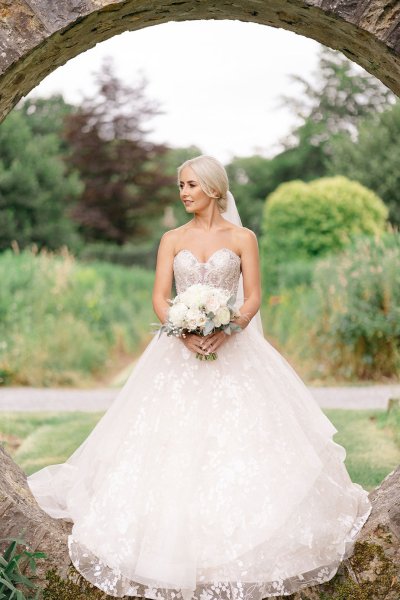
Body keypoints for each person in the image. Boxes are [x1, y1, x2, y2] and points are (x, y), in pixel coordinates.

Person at [27, 154, 372, 600]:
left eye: (190, 184)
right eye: (180, 185)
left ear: (212, 188)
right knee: (167, 443)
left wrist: (228, 332)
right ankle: (167, 541)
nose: (183, 192)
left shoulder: (243, 237)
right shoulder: (171, 239)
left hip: (235, 350)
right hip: (177, 351)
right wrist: (182, 329)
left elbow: (253, 298)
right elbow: (159, 296)